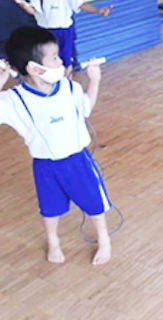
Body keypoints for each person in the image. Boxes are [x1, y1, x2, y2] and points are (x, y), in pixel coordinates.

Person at [0, 26, 112, 265]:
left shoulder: (70, 87)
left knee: (94, 201)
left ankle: (104, 240)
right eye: (54, 58)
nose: (61, 61)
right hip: (45, 165)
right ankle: (53, 242)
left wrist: (95, 81)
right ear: (34, 68)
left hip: (77, 160)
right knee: (50, 207)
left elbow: (86, 109)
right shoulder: (13, 100)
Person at [14, 0, 112, 76]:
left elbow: (80, 4)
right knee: (48, 60)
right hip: (46, 32)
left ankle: (67, 84)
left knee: (67, 61)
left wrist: (99, 10)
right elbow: (32, 10)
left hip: (65, 31)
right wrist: (21, 3)